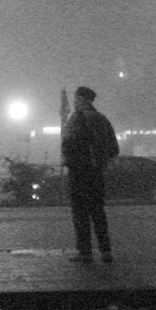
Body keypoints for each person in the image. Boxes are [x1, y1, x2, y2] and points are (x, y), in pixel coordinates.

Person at [62, 86, 120, 263]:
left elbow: (69, 144)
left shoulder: (77, 119)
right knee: (98, 212)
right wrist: (99, 160)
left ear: (82, 99)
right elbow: (114, 149)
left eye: (76, 99)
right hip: (97, 173)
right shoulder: (102, 119)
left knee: (80, 213)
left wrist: (70, 159)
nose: (74, 103)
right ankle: (106, 250)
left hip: (79, 173)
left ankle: (85, 252)